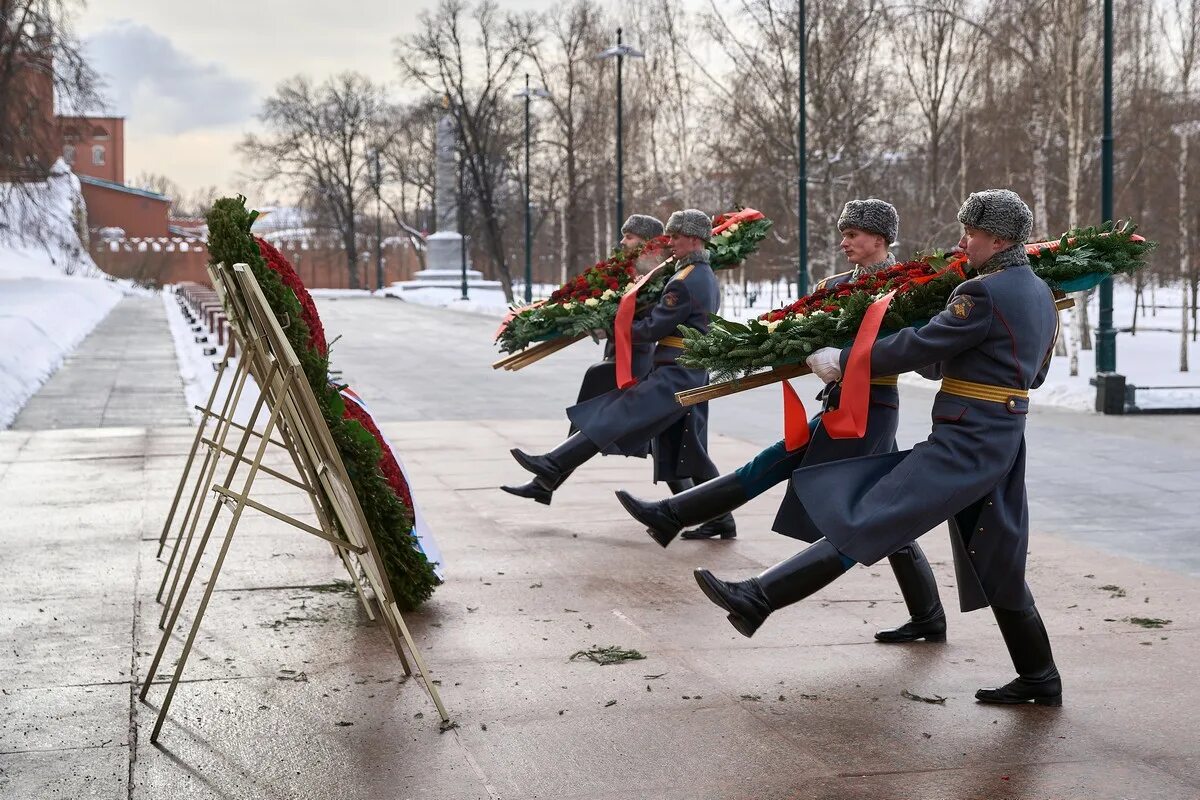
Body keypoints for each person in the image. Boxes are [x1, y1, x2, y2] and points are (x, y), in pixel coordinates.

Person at [693, 190, 1063, 706]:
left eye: (971, 234)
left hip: (966, 439)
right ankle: (1040, 677)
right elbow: (1033, 372)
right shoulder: (1041, 293)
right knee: (996, 559)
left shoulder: (983, 293)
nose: (962, 241)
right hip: (999, 433)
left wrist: (846, 359)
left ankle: (759, 597)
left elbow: (920, 345)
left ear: (998, 238)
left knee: (875, 514)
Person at [616, 199, 946, 644]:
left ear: (881, 239)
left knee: (867, 517)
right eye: (843, 232)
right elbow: (802, 330)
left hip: (872, 410)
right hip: (838, 403)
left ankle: (720, 558)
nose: (844, 241)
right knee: (787, 470)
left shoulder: (907, 288)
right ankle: (673, 514)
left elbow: (925, 358)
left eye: (854, 234)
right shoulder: (838, 284)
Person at [503, 209, 727, 507]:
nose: (670, 241)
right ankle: (716, 517)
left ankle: (551, 468)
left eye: (675, 236)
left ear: (693, 238)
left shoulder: (681, 280)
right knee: (684, 449)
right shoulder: (694, 275)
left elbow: (654, 326)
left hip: (674, 371)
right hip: (679, 368)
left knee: (613, 417)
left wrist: (614, 326)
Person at [501, 214, 665, 505]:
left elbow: (646, 318)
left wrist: (607, 321)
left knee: (663, 443)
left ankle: (547, 476)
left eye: (630, 236)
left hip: (635, 364)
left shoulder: (653, 273)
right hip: (622, 357)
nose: (622, 241)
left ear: (647, 241)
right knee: (657, 441)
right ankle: (546, 479)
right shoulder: (628, 270)